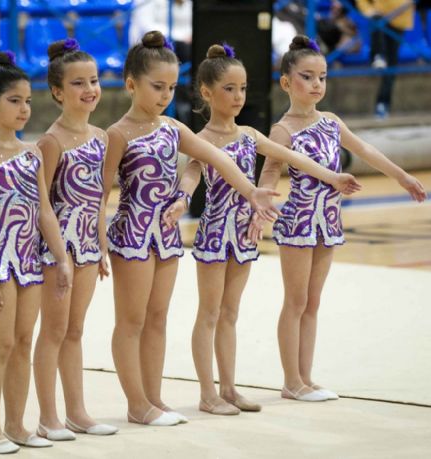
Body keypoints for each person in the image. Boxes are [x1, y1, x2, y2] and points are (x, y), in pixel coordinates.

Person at [102, 30, 320, 427]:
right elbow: (102, 194)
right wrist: (98, 243)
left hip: (166, 238)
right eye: (157, 86)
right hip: (133, 235)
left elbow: (218, 160)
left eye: (171, 87)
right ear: (131, 84)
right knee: (132, 321)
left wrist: (252, 191)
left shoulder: (172, 127)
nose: (166, 94)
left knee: (157, 319)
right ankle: (138, 403)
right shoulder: (117, 134)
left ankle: (154, 398)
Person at [162, 43, 361, 416]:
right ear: (207, 93)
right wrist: (182, 200)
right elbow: (190, 174)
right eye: (229, 89)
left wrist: (332, 176)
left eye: (243, 88)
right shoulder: (202, 140)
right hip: (214, 236)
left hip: (244, 235)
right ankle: (208, 394)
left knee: (231, 313)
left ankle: (230, 388)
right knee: (210, 312)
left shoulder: (250, 135)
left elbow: (293, 156)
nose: (238, 97)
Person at [252, 35, 427, 402]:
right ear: (286, 82)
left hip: (328, 221)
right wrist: (262, 202)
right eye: (307, 77)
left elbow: (364, 149)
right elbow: (270, 171)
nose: (317, 84)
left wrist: (401, 176)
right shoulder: (283, 130)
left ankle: (306, 377)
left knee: (313, 303)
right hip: (299, 222)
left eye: (322, 77)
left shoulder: (331, 121)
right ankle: (291, 381)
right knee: (295, 302)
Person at [0, 51, 72, 454]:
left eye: (28, 100)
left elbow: (44, 210)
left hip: (30, 262)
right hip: (0, 264)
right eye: (14, 101)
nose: (25, 108)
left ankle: (16, 423)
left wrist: (60, 257)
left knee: (24, 342)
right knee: (2, 345)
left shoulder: (32, 154)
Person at [32, 38, 118, 442]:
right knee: (53, 330)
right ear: (56, 92)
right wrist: (59, 254)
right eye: (79, 83)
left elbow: (100, 200)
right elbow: (42, 204)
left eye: (95, 81)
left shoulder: (101, 137)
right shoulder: (51, 142)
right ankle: (48, 417)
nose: (90, 90)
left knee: (76, 330)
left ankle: (77, 413)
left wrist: (100, 247)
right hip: (57, 251)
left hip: (86, 247)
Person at [355, 0, 415, 118]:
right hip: (381, 17)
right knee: (377, 27)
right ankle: (378, 55)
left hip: (400, 20)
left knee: (392, 64)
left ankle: (383, 104)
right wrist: (368, 10)